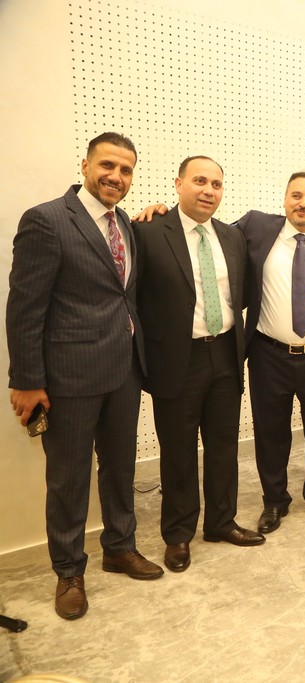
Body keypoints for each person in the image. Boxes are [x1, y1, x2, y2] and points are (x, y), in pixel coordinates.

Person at [7, 132, 163, 619]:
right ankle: (69, 571)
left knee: (120, 468)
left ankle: (120, 547)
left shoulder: (127, 225)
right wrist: (26, 380)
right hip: (69, 376)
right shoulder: (47, 220)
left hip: (124, 370)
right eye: (107, 165)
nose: (116, 176)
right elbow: (25, 307)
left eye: (126, 170)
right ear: (85, 165)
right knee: (68, 478)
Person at [135, 156, 264, 574]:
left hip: (225, 353)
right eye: (200, 181)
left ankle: (222, 522)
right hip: (178, 359)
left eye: (217, 184)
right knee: (178, 451)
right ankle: (178, 534)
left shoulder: (232, 236)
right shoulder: (149, 232)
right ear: (179, 184)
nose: (209, 190)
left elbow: (241, 293)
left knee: (224, 445)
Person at [236, 172, 305, 533]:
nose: (303, 204)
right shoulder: (257, 228)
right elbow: (210, 233)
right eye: (297, 195)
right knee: (271, 432)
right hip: (269, 354)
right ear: (284, 199)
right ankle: (274, 501)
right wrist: (161, 213)